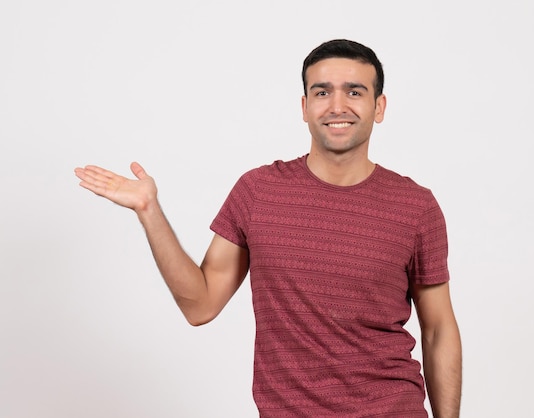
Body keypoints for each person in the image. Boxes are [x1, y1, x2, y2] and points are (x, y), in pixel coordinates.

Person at [75, 39, 462, 417]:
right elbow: (200, 305)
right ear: (305, 106)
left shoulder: (415, 205)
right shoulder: (258, 191)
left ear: (378, 107)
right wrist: (149, 210)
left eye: (355, 91)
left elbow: (438, 327)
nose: (337, 105)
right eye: (322, 92)